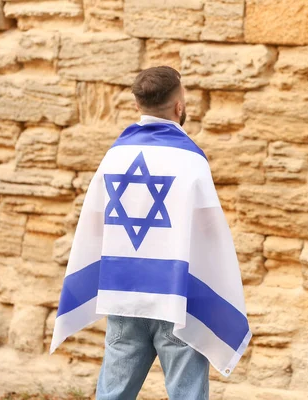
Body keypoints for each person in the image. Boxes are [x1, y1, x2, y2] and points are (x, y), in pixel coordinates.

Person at [50, 66, 251, 399]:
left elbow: (94, 227)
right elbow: (211, 237)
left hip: (123, 294)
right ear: (179, 107)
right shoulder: (190, 161)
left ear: (137, 106)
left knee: (112, 394)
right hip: (175, 297)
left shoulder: (114, 157)